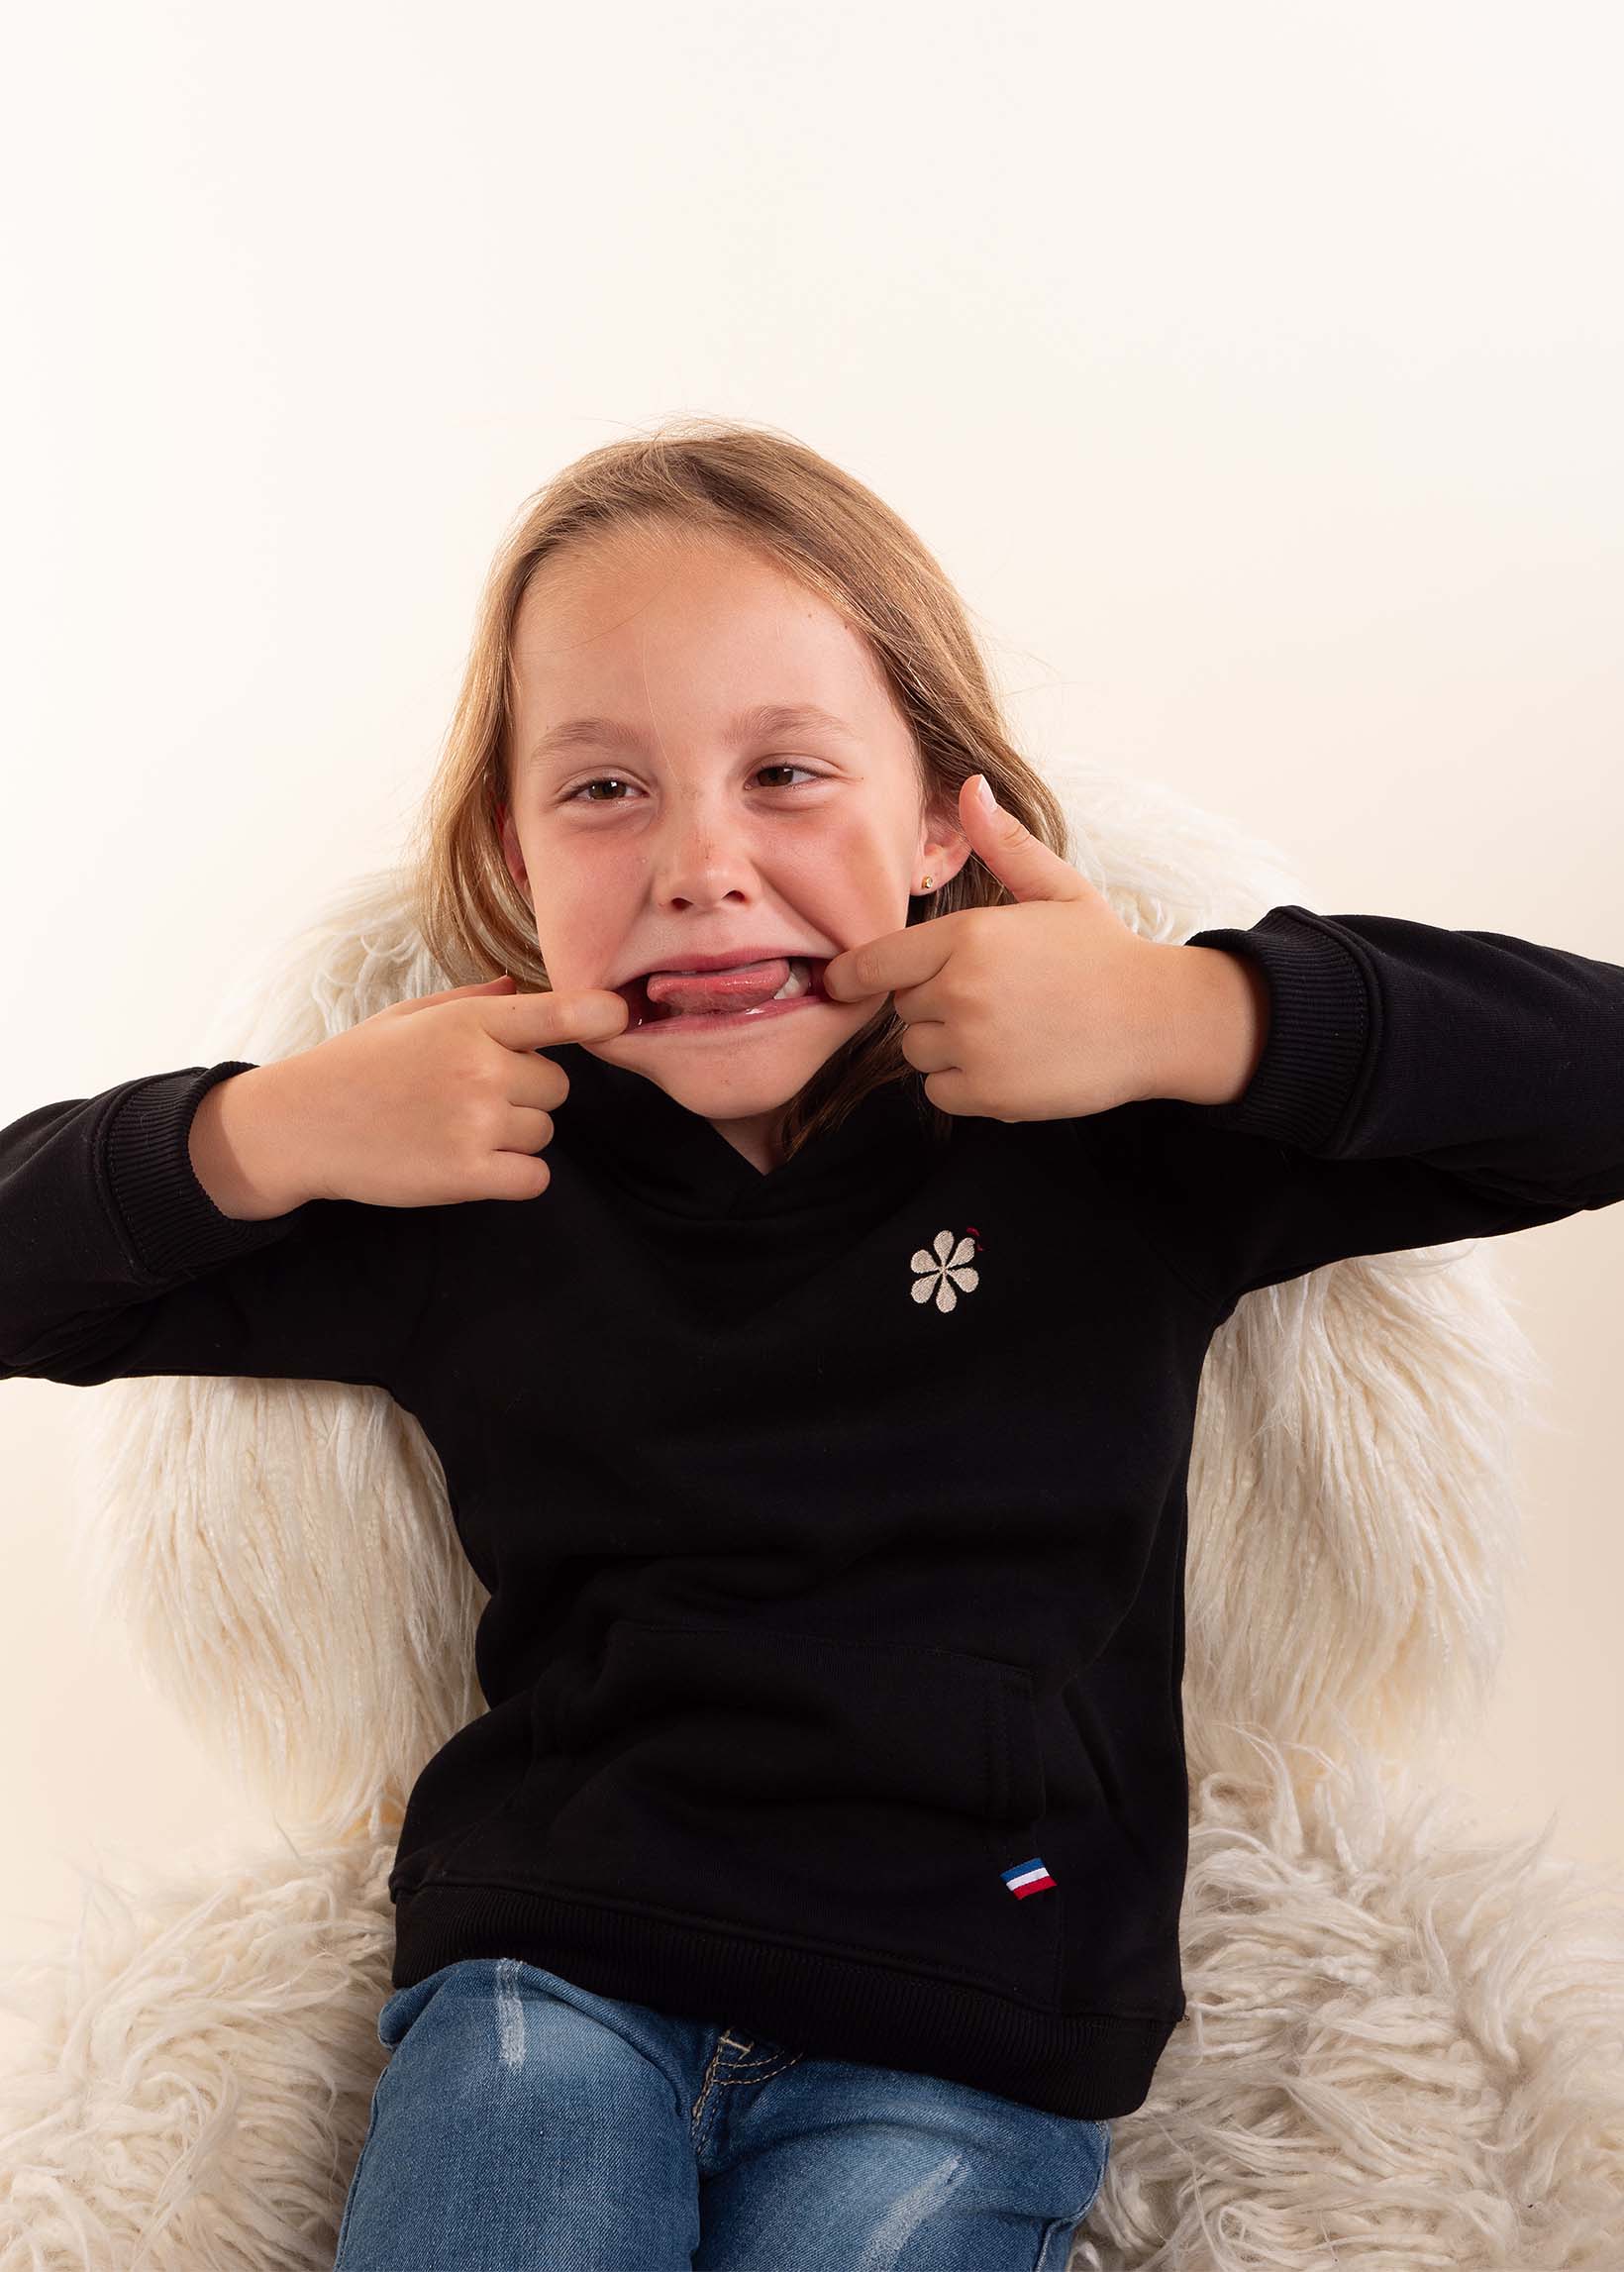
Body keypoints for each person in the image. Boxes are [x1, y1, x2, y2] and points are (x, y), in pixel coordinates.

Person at [5, 419, 1622, 2270]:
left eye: (784, 771)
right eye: (603, 790)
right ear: (511, 852)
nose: (701, 860)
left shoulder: (1108, 1125)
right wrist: (265, 1130)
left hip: (970, 2005)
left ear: (944, 815)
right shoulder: (468, 1156)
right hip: (557, 1968)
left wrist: (1193, 1012)